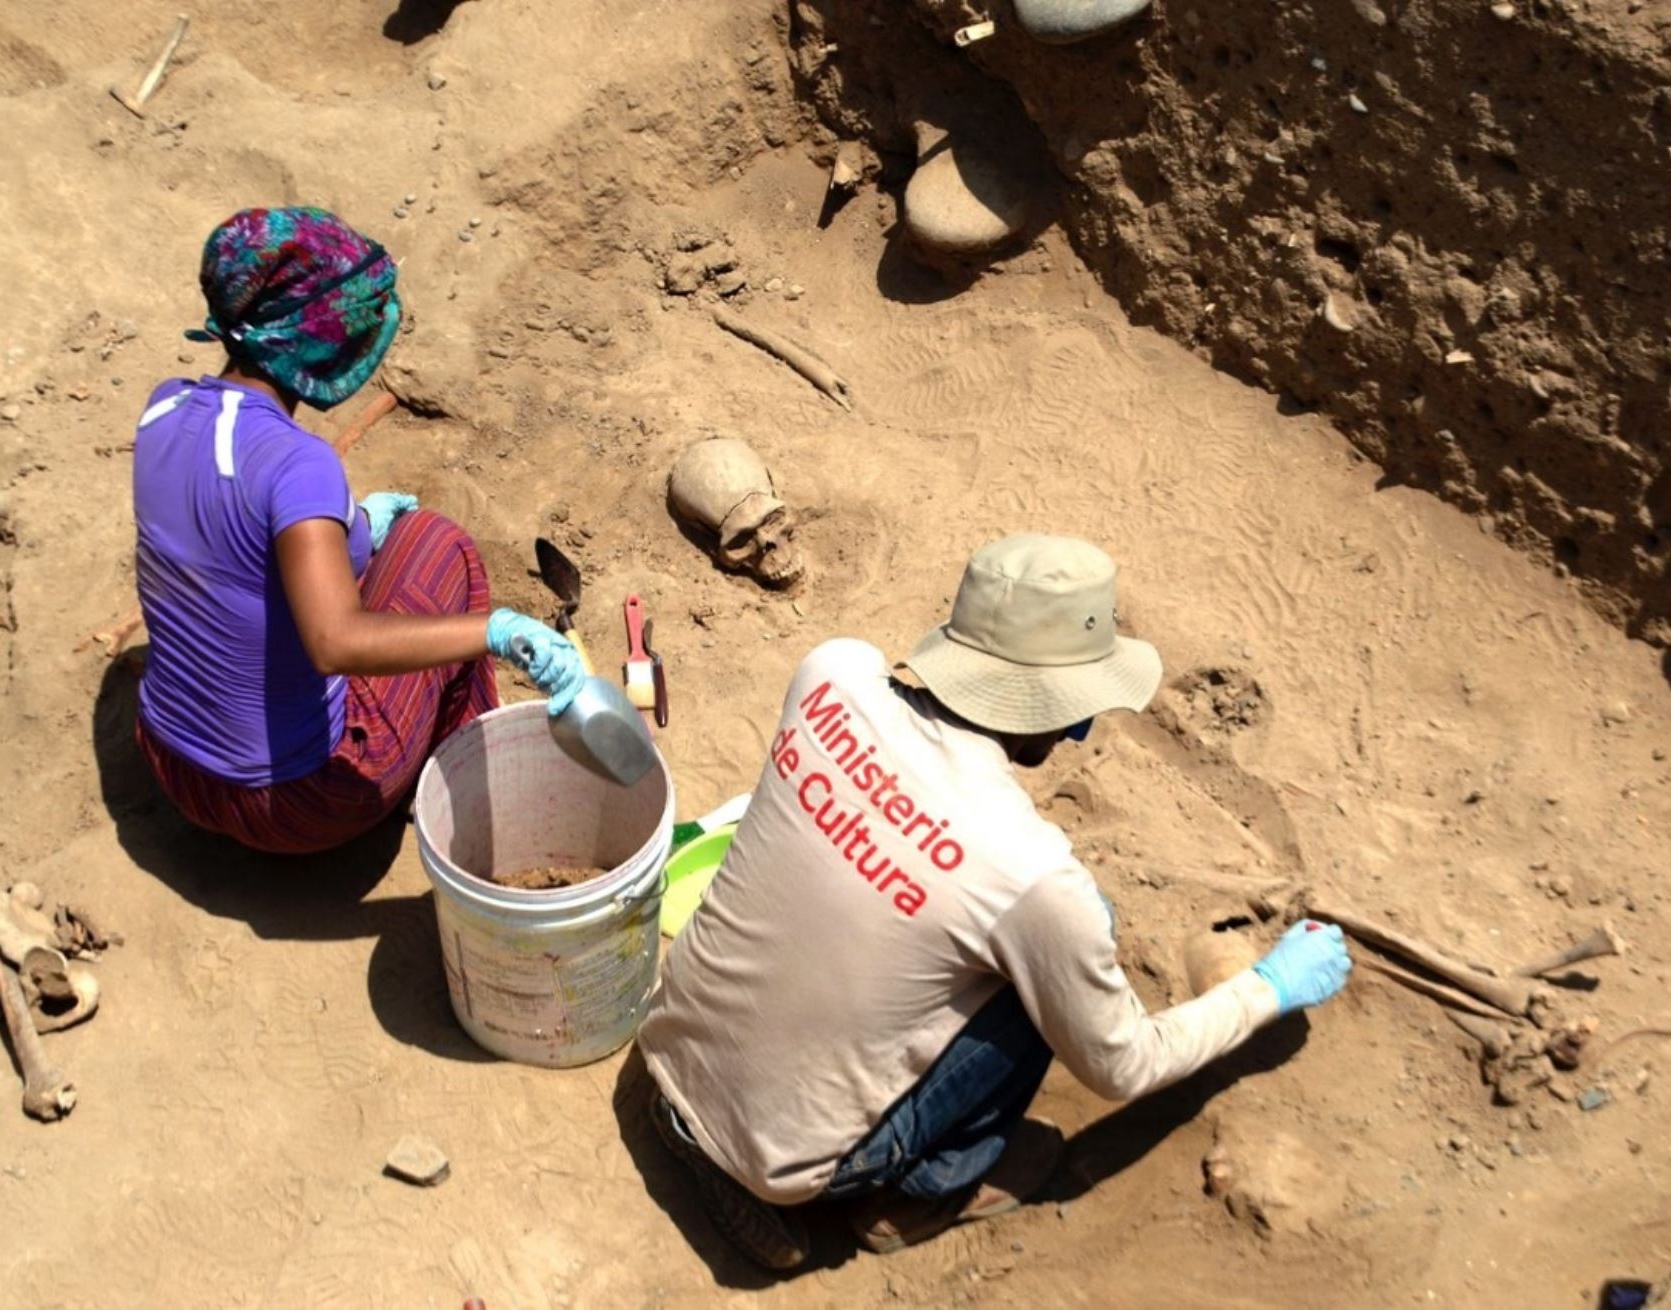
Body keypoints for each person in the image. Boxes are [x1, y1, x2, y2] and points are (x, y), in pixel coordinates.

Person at [637, 535, 1352, 1268]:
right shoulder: (1032, 873)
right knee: (1065, 950)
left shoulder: (834, 669)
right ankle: (915, 1190)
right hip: (782, 1160)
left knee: (1001, 931)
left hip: (667, 1034)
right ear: (1066, 706)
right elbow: (1124, 1065)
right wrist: (1268, 989)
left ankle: (693, 1117)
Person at [132, 206, 583, 855]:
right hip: (301, 804)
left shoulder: (164, 408)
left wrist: (359, 525)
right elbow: (335, 641)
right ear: (314, 336)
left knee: (384, 552)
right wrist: (499, 631)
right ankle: (460, 778)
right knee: (441, 547)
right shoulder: (298, 465)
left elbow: (231, 543)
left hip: (176, 770)